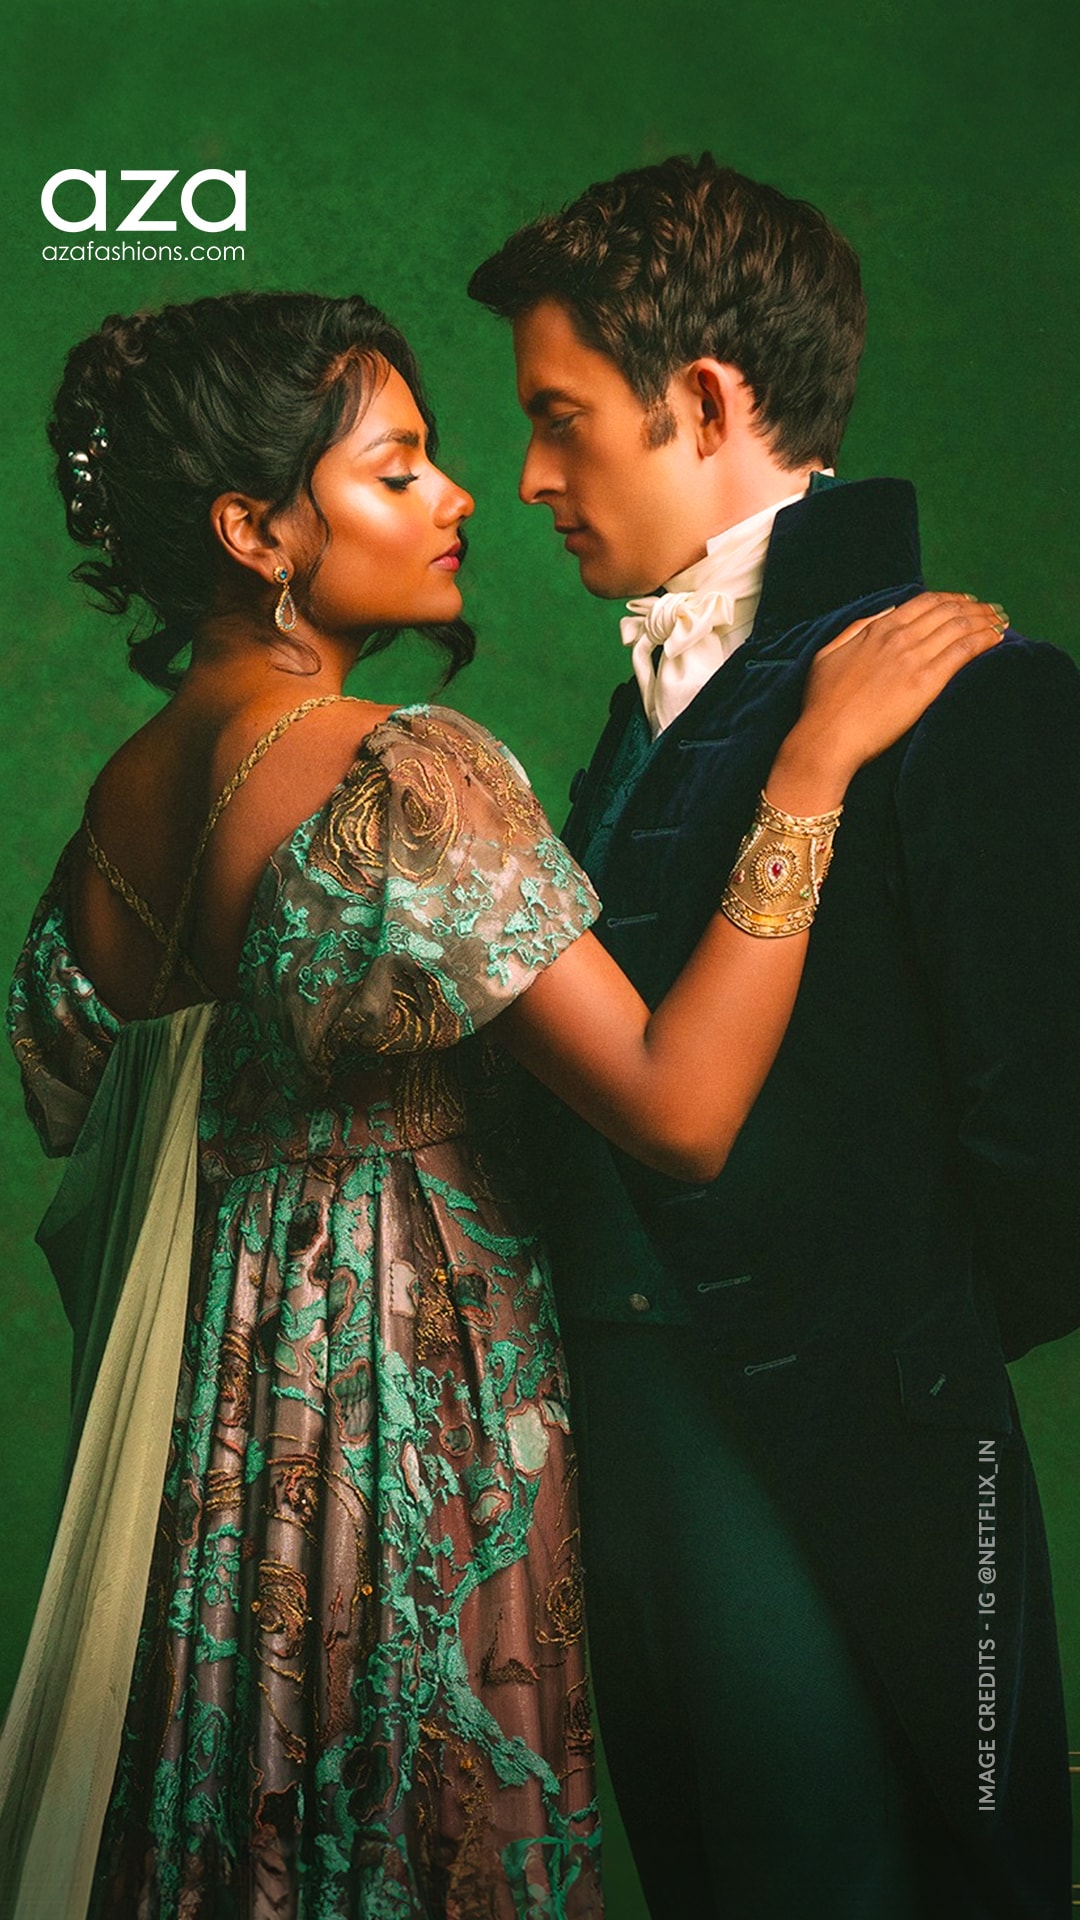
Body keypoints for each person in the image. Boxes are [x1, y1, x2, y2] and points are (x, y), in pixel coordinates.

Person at [0, 289, 999, 1920]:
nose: (463, 494)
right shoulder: (398, 771)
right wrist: (810, 771)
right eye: (399, 471)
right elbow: (678, 1109)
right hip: (398, 1436)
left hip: (212, 1464)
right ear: (256, 531)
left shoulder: (112, 814)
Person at [468, 156, 1080, 1919]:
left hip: (836, 1433)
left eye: (562, 418)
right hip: (617, 1430)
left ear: (707, 400)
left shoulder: (976, 692)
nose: (530, 477)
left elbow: (1053, 1148)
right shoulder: (644, 703)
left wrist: (876, 1344)